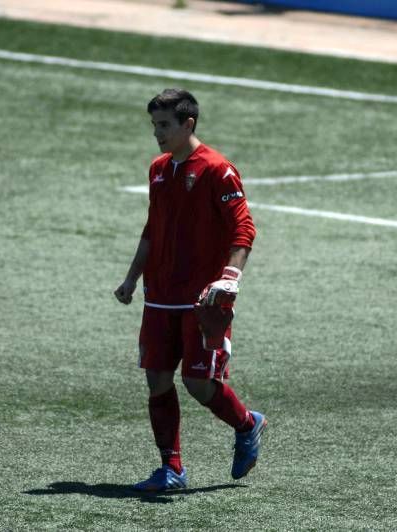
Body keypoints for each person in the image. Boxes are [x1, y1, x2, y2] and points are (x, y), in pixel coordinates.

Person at [114, 89, 267, 492]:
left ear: (188, 125)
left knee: (199, 384)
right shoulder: (159, 169)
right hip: (159, 295)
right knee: (157, 379)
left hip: (202, 299)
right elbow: (153, 229)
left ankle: (248, 424)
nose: (157, 134)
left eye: (164, 125)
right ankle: (172, 469)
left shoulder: (218, 169)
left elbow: (243, 228)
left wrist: (230, 278)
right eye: (154, 126)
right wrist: (132, 277)